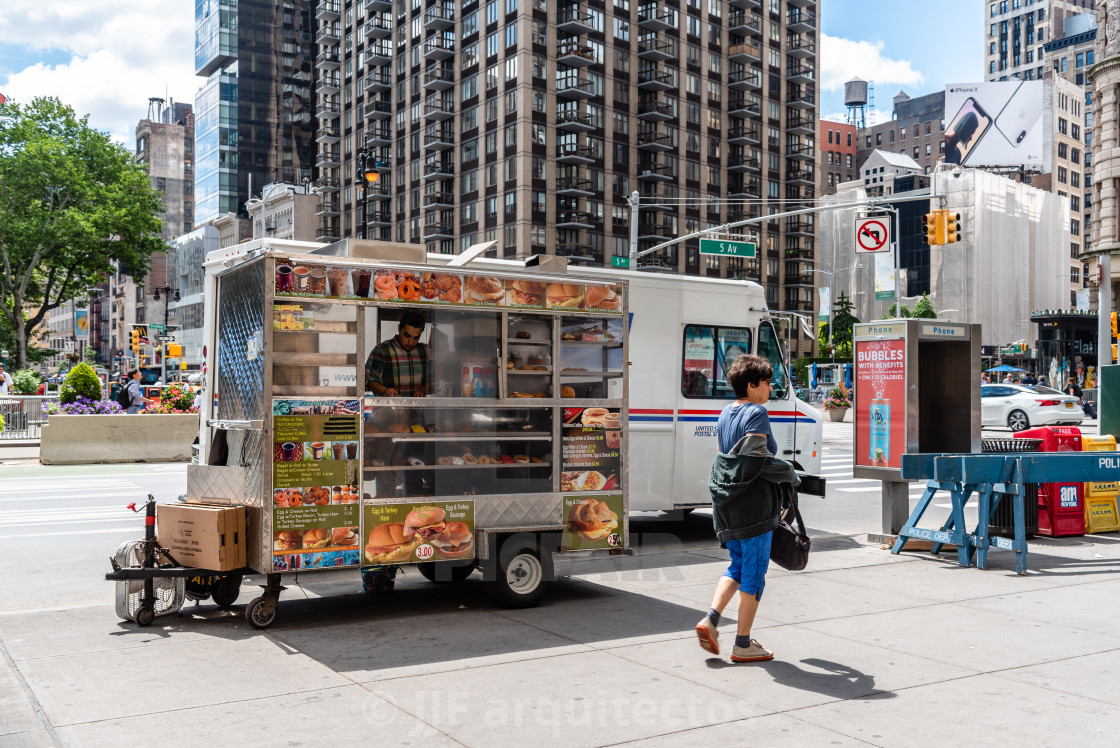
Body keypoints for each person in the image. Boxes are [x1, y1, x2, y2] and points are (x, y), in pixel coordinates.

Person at [694, 354, 799, 664]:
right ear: (752, 385)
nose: (770, 388)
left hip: (729, 506)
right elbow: (755, 461)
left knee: (738, 567)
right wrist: (789, 473)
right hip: (754, 509)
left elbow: (725, 460)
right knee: (754, 575)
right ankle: (742, 644)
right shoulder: (756, 413)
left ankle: (711, 619)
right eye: (767, 383)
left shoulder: (726, 413)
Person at [365, 311, 430, 397]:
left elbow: (436, 381)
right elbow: (368, 381)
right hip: (389, 409)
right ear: (399, 328)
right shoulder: (382, 350)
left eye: (416, 338)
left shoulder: (425, 351)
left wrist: (423, 390)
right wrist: (384, 390)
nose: (410, 342)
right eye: (407, 335)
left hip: (419, 409)